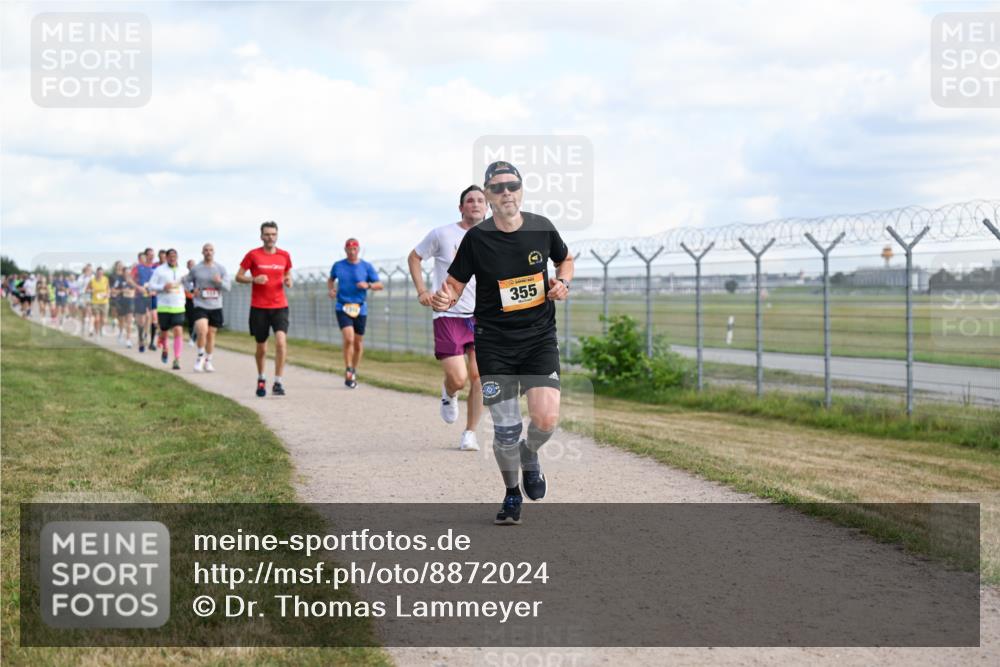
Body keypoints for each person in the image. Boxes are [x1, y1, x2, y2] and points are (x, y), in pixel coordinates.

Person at [433, 161, 574, 525]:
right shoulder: (477, 239)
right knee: (507, 429)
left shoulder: (541, 227)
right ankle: (512, 493)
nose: (506, 192)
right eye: (497, 188)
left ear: (521, 189)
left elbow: (565, 259)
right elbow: (454, 284)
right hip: (494, 344)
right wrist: (446, 298)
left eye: (512, 185)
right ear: (489, 195)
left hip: (539, 339)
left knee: (546, 418)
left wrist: (562, 283)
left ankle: (531, 454)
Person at [408, 185, 486, 451]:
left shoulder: (493, 237)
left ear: (487, 207)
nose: (475, 204)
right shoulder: (442, 234)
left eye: (481, 200)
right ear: (461, 207)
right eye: (470, 200)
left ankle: (470, 433)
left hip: (482, 317)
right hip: (448, 315)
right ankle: (449, 392)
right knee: (459, 378)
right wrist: (422, 291)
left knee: (481, 377)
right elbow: (414, 257)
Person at [236, 221, 293, 397]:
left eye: (273, 234)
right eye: (267, 234)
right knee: (262, 348)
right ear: (261, 236)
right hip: (259, 307)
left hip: (280, 306)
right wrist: (254, 279)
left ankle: (278, 382)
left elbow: (287, 272)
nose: (270, 237)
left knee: (281, 342)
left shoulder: (284, 255)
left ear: (277, 236)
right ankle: (261, 378)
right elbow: (239, 276)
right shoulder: (253, 255)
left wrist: (288, 280)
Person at [327, 238, 383, 389]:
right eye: (349, 249)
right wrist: (331, 290)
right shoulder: (338, 265)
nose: (352, 252)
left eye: (354, 249)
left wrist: (368, 285)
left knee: (358, 343)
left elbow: (380, 285)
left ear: (358, 250)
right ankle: (348, 369)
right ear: (345, 250)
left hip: (360, 308)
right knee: (349, 338)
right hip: (342, 306)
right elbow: (331, 280)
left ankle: (354, 370)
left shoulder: (366, 266)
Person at [184, 243, 230, 372]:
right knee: (202, 330)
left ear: (214, 252)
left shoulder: (221, 269)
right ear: (202, 252)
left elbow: (228, 287)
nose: (208, 252)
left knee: (211, 334)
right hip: (200, 304)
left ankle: (208, 361)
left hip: (216, 305)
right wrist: (192, 290)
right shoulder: (196, 269)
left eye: (211, 250)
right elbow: (186, 280)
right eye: (206, 250)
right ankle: (200, 358)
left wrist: (219, 282)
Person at [145, 249, 187, 370]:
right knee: (164, 331)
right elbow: (151, 285)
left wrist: (193, 288)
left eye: (175, 256)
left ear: (177, 257)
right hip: (164, 306)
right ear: (166, 257)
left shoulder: (184, 270)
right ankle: (165, 348)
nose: (172, 258)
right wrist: (163, 287)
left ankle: (177, 359)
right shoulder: (159, 270)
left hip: (178, 305)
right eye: (170, 256)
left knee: (178, 330)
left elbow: (189, 285)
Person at [130, 250, 156, 352]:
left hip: (151, 296)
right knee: (141, 320)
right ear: (145, 256)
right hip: (139, 296)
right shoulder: (137, 268)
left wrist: (155, 290)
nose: (151, 257)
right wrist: (138, 287)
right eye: (149, 255)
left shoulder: (155, 268)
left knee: (150, 316)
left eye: (153, 255)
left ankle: (145, 335)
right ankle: (140, 337)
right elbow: (130, 280)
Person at [110, 261, 135, 348]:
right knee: (121, 321)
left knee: (129, 321)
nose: (127, 274)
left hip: (130, 302)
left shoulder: (132, 280)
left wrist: (132, 290)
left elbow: (136, 289)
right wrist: (122, 291)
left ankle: (128, 340)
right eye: (126, 272)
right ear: (123, 273)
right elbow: (113, 290)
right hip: (120, 302)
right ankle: (120, 333)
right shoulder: (118, 280)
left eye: (129, 273)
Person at [87, 266, 111, 337]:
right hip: (95, 302)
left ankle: (101, 328)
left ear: (103, 273)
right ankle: (96, 332)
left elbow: (108, 289)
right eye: (99, 273)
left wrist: (108, 294)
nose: (100, 274)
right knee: (97, 319)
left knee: (104, 320)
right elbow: (87, 289)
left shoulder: (105, 279)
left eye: (101, 273)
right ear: (96, 273)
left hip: (104, 301)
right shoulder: (92, 280)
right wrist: (91, 290)